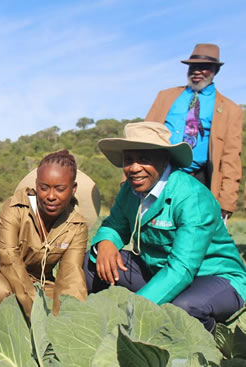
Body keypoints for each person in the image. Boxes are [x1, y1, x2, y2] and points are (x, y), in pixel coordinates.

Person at [84, 121, 246, 331]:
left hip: (214, 277)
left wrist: (133, 312)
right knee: (92, 262)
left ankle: (212, 342)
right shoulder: (129, 191)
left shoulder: (191, 196)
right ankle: (91, 325)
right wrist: (105, 241)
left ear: (164, 158)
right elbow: (114, 225)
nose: (134, 168)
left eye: (144, 159)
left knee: (183, 309)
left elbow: (182, 268)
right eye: (128, 160)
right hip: (157, 270)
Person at [0, 150, 88, 316]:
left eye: (60, 189)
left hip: (41, 282)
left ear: (73, 189)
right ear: (36, 185)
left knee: (67, 309)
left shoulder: (76, 225)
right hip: (0, 273)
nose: (51, 196)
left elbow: (71, 274)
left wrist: (67, 320)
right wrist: (34, 309)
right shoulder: (15, 208)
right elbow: (8, 258)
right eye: (44, 188)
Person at [145, 43, 243, 218]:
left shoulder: (229, 109)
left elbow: (231, 158)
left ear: (215, 71)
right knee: (149, 228)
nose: (197, 71)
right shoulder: (165, 97)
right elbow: (143, 136)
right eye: (193, 66)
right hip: (159, 174)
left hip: (197, 178)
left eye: (204, 67)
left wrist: (227, 200)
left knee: (193, 231)